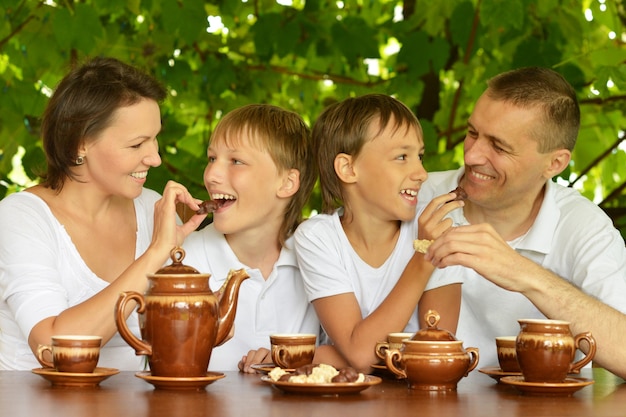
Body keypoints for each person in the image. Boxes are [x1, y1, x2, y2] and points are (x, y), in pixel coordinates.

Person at [419, 67, 626, 379]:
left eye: (499, 147)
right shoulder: (413, 198)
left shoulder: (582, 226)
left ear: (554, 163)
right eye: (473, 133)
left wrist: (522, 272)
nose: (473, 155)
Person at [0, 57, 206, 370]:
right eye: (137, 145)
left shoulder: (153, 209)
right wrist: (156, 254)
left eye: (155, 138)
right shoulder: (21, 219)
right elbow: (54, 349)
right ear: (81, 143)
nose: (155, 158)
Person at [294, 94, 464, 373]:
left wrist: (325, 356)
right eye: (401, 157)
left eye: (419, 156)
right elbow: (362, 355)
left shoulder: (438, 228)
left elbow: (437, 356)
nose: (421, 173)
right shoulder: (317, 238)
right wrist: (424, 257)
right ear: (348, 169)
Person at [181, 104, 320, 373]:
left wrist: (293, 359)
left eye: (236, 161)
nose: (211, 175)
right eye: (212, 159)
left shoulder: (318, 262)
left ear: (287, 183)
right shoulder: (184, 263)